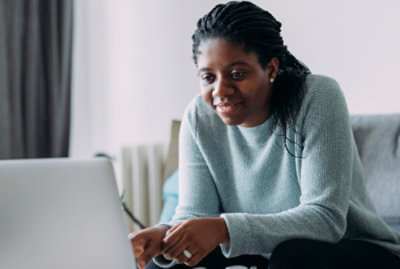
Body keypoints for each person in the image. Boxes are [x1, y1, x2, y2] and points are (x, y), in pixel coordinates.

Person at [130, 1, 400, 268]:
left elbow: (325, 220)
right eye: (208, 78)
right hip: (261, 254)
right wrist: (165, 236)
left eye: (237, 74)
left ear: (270, 69)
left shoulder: (318, 98)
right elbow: (196, 214)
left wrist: (223, 229)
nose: (220, 90)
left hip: (352, 249)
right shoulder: (199, 117)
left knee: (294, 257)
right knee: (166, 265)